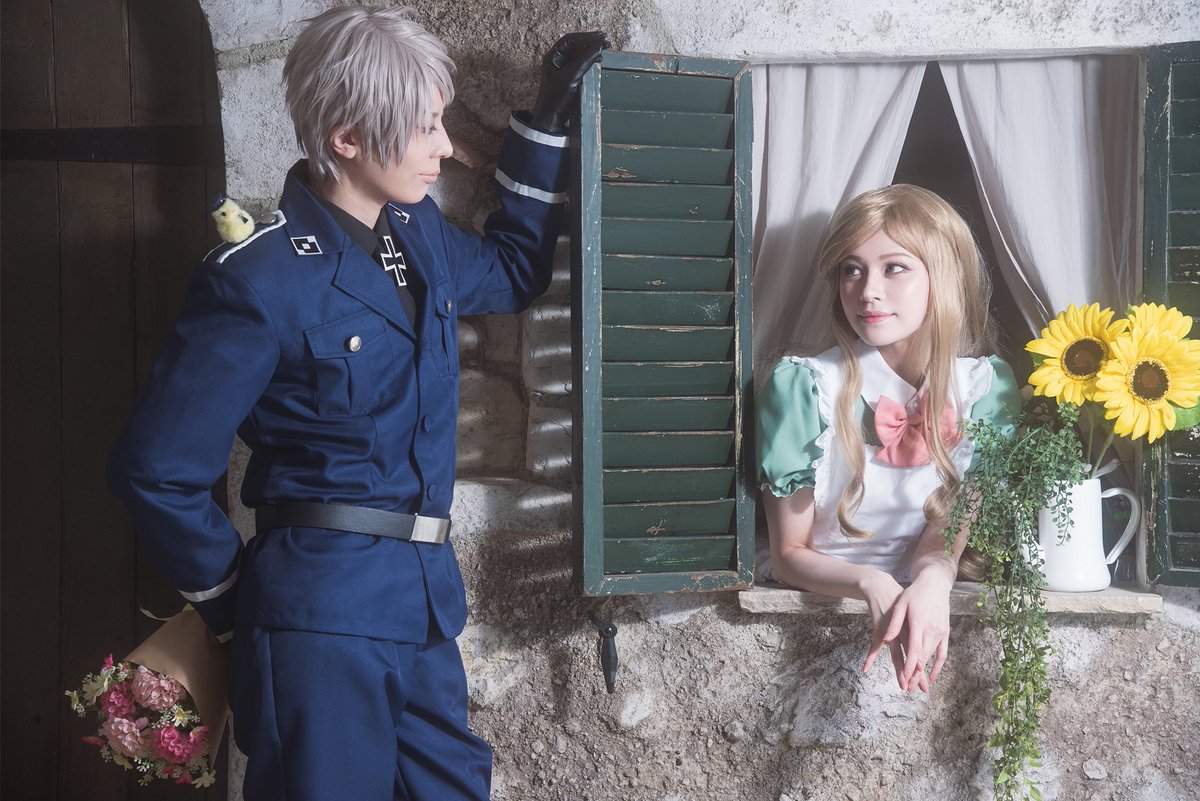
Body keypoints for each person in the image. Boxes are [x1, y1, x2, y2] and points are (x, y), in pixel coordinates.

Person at [105, 7, 606, 800]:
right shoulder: (257, 280)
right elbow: (156, 469)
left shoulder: (419, 234)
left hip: (423, 608)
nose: (445, 146)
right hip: (317, 622)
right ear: (346, 138)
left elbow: (513, 270)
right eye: (425, 128)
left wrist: (546, 125)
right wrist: (234, 606)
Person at [755, 184, 1018, 695]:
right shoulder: (804, 387)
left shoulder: (985, 388)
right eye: (851, 270)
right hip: (822, 595)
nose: (867, 290)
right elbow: (788, 553)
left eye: (894, 267)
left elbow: (946, 533)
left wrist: (934, 580)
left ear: (943, 277)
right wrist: (871, 582)